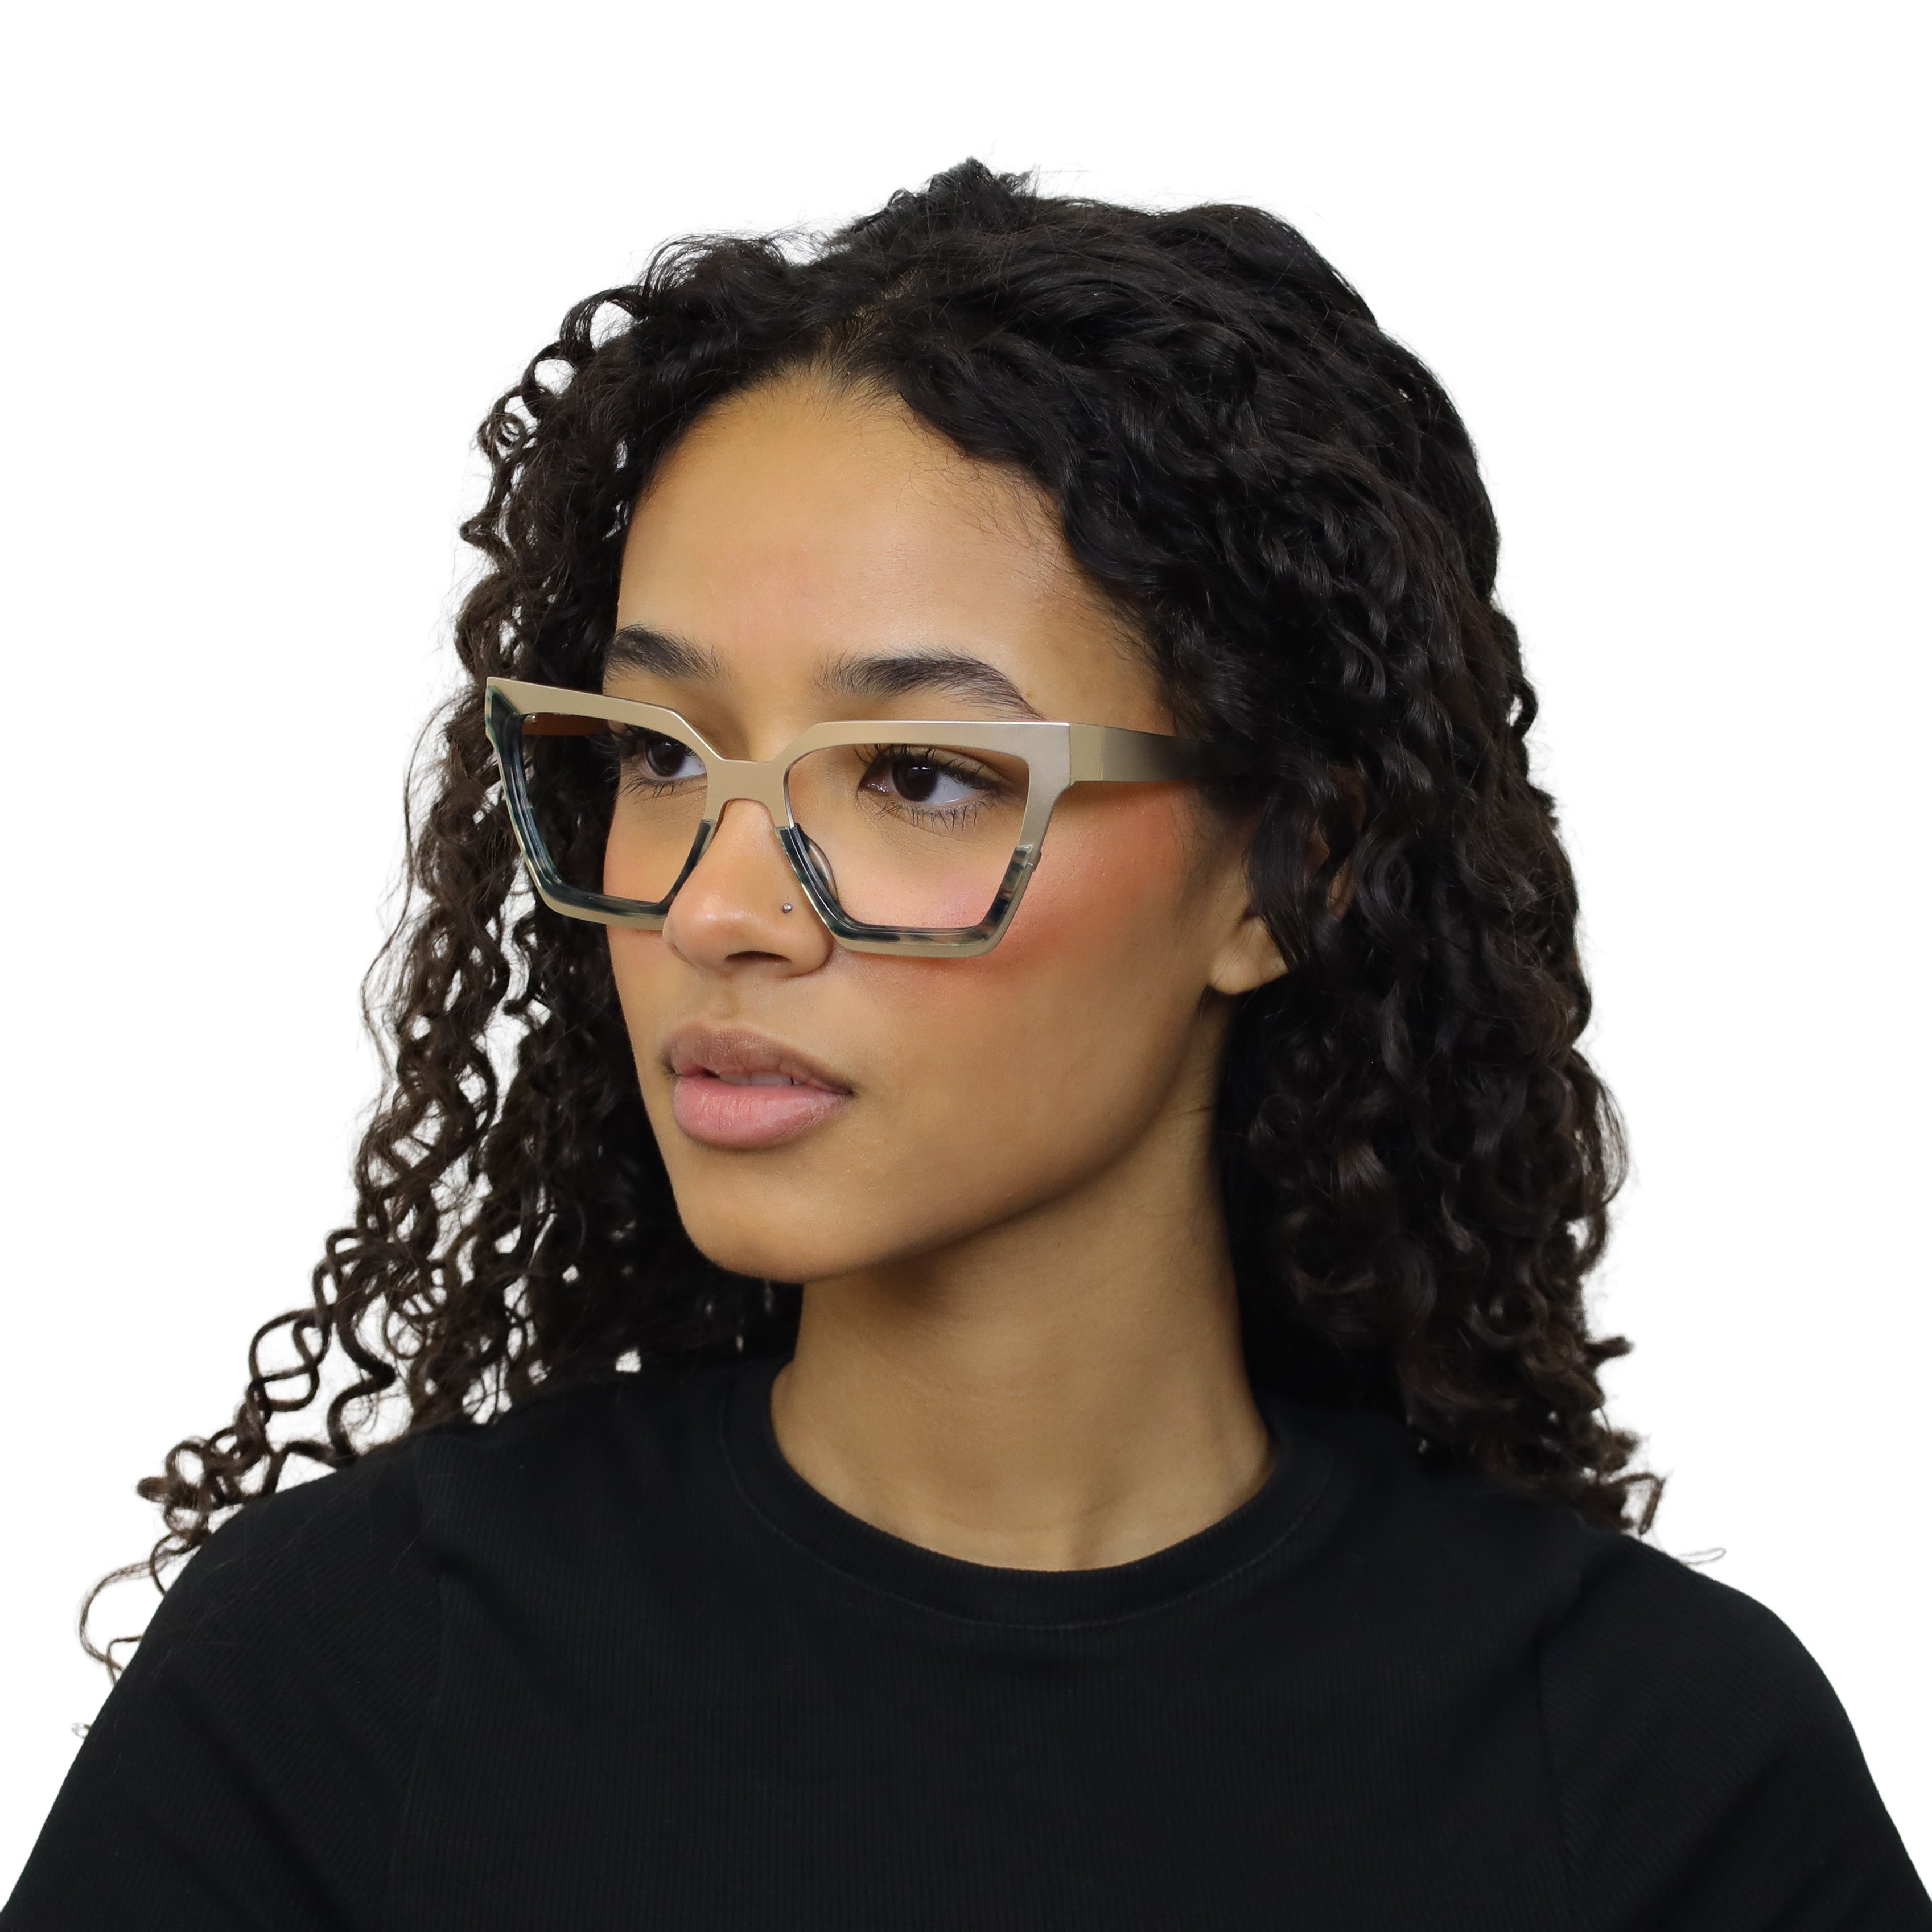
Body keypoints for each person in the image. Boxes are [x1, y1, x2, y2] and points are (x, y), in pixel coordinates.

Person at [5, 161, 1923, 1931]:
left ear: (1287, 871)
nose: (717, 908)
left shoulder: (1652, 1770)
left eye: (919, 773)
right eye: (660, 755)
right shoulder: (345, 1682)